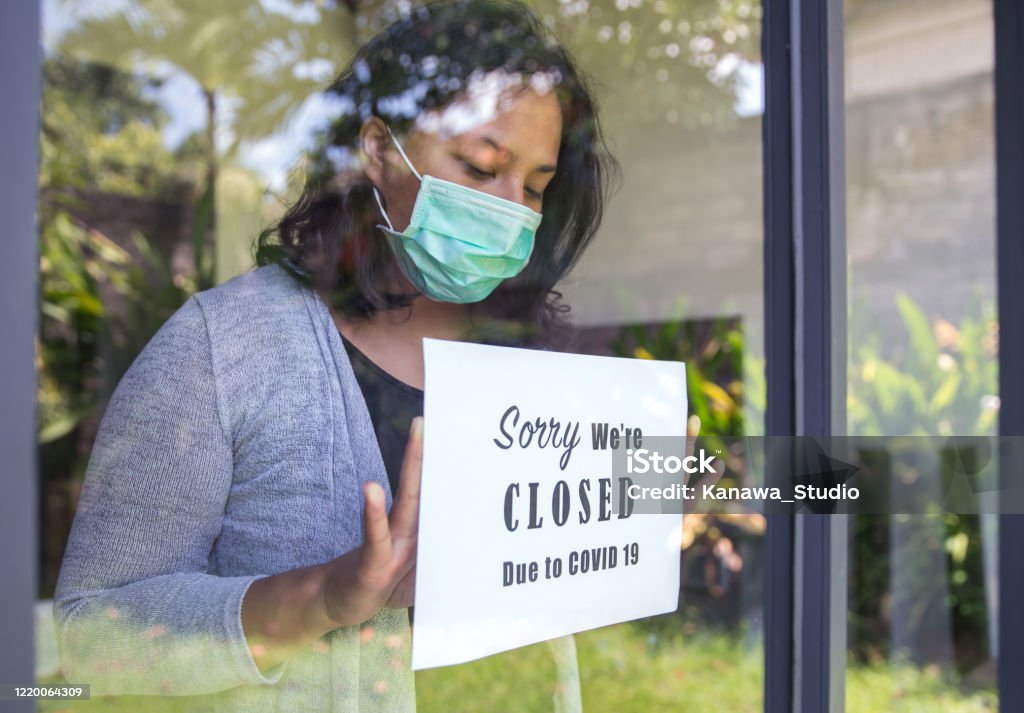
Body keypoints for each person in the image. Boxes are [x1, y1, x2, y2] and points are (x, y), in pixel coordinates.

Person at [53, 0, 616, 710]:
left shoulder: (527, 359)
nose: (512, 213)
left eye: (535, 188)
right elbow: (90, 642)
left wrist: (646, 501)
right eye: (480, 168)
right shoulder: (224, 346)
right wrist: (321, 596)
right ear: (377, 149)